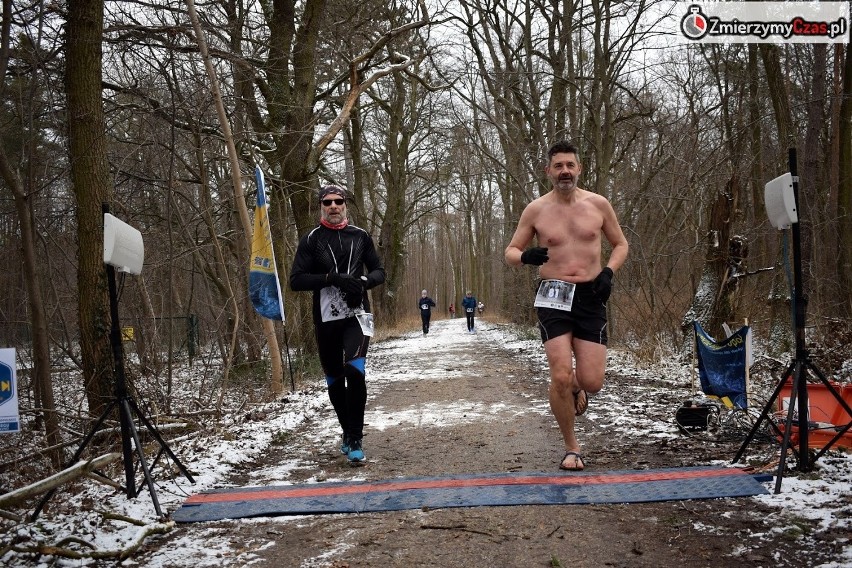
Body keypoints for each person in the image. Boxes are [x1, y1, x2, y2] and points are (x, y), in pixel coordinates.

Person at [504, 141, 628, 472]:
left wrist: (608, 272)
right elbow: (511, 251)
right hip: (553, 294)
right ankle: (572, 447)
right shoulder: (536, 210)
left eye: (570, 165)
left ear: (579, 169)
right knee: (559, 374)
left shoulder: (598, 204)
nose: (564, 172)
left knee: (592, 381)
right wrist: (525, 256)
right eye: (558, 166)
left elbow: (620, 244)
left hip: (591, 294)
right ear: (548, 171)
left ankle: (577, 387)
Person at [289, 185, 386, 465]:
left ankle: (355, 438)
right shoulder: (311, 239)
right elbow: (297, 280)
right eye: (327, 202)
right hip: (326, 317)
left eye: (338, 201)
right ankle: (346, 431)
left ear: (345, 205)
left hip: (357, 314)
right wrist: (332, 278)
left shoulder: (361, 236)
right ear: (321, 206)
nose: (333, 206)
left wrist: (365, 281)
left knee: (355, 371)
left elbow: (380, 270)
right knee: (334, 378)